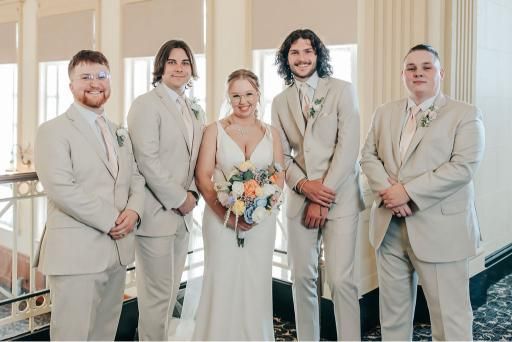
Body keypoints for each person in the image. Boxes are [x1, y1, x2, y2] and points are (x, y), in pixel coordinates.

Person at [360, 44, 485, 340]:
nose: (418, 73)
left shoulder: (465, 114)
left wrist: (408, 193)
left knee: (449, 318)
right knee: (392, 315)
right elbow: (368, 156)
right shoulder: (384, 113)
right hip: (388, 227)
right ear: (403, 74)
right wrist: (391, 192)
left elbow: (462, 168)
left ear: (440, 73)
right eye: (411, 68)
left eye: (426, 67)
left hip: (441, 229)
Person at [34, 50, 145, 340]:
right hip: (76, 254)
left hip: (117, 252)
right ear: (71, 85)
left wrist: (134, 212)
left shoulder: (118, 131)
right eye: (85, 77)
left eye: (102, 76)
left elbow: (135, 177)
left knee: (103, 333)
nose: (95, 82)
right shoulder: (52, 131)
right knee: (72, 334)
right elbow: (61, 188)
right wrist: (112, 220)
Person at [271, 29, 364, 341]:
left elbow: (349, 147)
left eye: (307, 51)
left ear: (318, 55)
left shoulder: (342, 90)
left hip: (341, 198)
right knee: (302, 278)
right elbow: (281, 155)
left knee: (341, 281)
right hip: (299, 200)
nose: (301, 58)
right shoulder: (279, 101)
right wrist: (303, 187)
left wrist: (321, 196)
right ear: (286, 59)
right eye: (294, 53)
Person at [192, 69, 284, 340]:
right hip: (220, 219)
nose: (243, 101)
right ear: (228, 97)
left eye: (248, 94)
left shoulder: (272, 133)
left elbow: (279, 175)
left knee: (256, 281)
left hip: (262, 222)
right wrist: (227, 215)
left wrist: (264, 208)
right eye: (236, 95)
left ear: (258, 95)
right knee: (222, 279)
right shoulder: (214, 130)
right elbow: (203, 177)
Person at [127, 40, 205, 340]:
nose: (179, 68)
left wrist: (195, 195)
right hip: (156, 214)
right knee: (156, 298)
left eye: (185, 62)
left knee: (170, 294)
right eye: (171, 62)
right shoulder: (145, 105)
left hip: (183, 216)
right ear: (160, 67)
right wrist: (179, 199)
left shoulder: (192, 107)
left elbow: (196, 158)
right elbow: (147, 160)